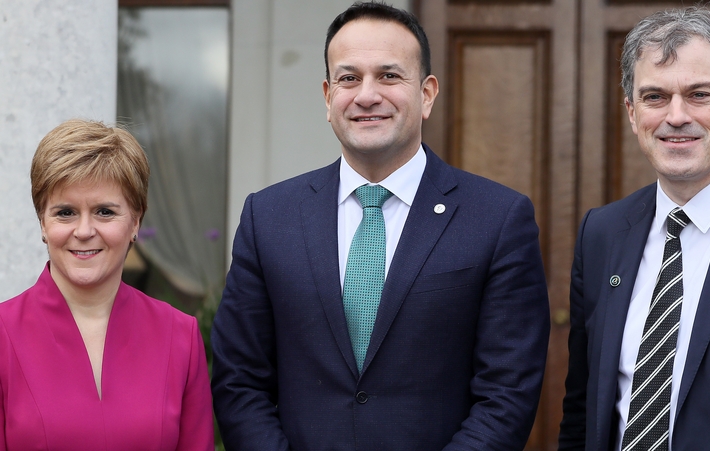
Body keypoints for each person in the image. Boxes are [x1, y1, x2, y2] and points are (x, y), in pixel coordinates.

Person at [211, 2, 550, 450]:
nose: (367, 95)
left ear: (427, 94)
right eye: (349, 78)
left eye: (389, 76)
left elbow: (507, 394)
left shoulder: (497, 219)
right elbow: (239, 381)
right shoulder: (268, 217)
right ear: (328, 96)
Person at [559, 6, 710, 451]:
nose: (675, 116)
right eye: (654, 97)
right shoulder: (602, 233)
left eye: (699, 94)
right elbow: (582, 409)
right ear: (632, 114)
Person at [0, 119, 214, 450]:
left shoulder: (180, 337)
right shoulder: (3, 334)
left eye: (104, 212)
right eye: (66, 212)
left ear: (136, 221)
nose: (84, 230)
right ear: (42, 221)